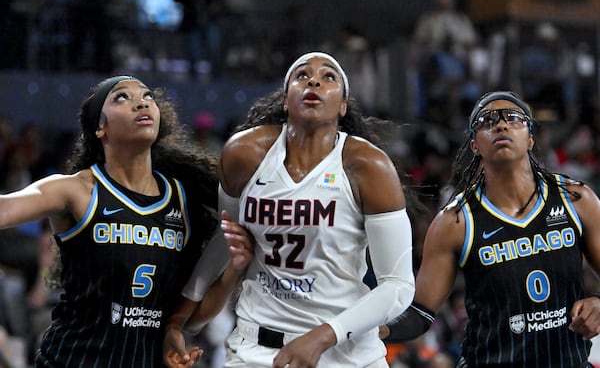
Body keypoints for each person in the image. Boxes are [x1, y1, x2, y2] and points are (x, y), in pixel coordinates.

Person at [163, 52, 415, 367]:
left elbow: (399, 285)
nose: (314, 80)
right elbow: (225, 240)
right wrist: (179, 318)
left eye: (329, 77)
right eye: (302, 75)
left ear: (343, 106)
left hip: (344, 350)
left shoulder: (369, 165)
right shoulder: (244, 153)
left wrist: (324, 335)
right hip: (255, 349)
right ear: (285, 100)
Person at [0, 75, 252, 367]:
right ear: (100, 127)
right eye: (122, 97)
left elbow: (189, 315)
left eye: (147, 96)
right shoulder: (77, 190)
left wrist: (234, 270)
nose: (141, 102)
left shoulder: (184, 201)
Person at [382, 91, 600, 367]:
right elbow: (421, 313)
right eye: (487, 121)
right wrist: (369, 328)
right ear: (474, 145)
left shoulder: (576, 200)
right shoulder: (455, 222)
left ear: (530, 138)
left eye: (513, 118)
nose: (501, 124)